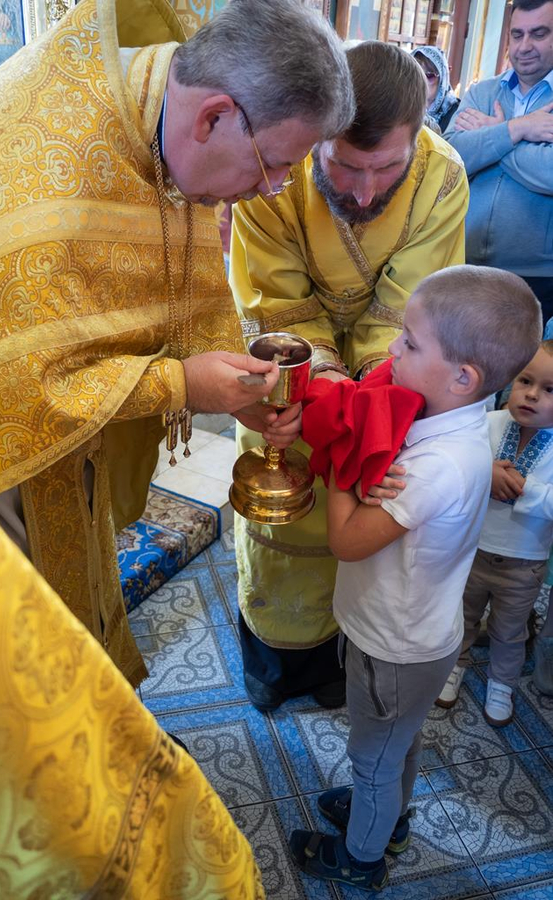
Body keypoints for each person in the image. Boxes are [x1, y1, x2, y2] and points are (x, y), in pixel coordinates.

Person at [0, 0, 354, 686]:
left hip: (72, 449)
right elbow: (16, 388)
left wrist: (238, 389)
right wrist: (183, 385)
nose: (271, 189)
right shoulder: (54, 185)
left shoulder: (157, 104)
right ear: (214, 117)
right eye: (275, 163)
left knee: (77, 586)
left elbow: (156, 283)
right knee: (15, 650)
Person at [0, 347, 264, 899]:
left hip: (60, 468)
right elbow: (1, 372)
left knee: (88, 582)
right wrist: (176, 382)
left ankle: (109, 730)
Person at [230, 40, 469, 712]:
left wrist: (359, 403)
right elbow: (277, 305)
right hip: (285, 387)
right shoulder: (274, 170)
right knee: (280, 519)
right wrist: (327, 386)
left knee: (364, 526)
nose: (365, 192)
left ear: (417, 141)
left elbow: (408, 311)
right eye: (344, 167)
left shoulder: (443, 179)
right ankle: (275, 669)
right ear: (316, 141)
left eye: (387, 168)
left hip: (382, 390)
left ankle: (340, 666)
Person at [287, 265, 542, 891]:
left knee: (372, 759)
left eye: (409, 341)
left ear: (464, 377)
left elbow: (348, 542)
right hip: (408, 632)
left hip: (395, 648)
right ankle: (391, 820)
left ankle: (362, 857)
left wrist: (342, 469)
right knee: (390, 748)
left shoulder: (439, 466)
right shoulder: (449, 422)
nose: (393, 350)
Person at [437, 341, 553, 723]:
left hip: (524, 565)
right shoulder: (486, 425)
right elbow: (457, 462)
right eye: (525, 380)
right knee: (462, 617)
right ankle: (456, 665)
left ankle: (502, 682)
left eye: (549, 390)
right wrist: (484, 473)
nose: (532, 395)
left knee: (510, 630)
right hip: (471, 550)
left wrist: (524, 489)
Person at [444, 0, 553, 322]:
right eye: (517, 34)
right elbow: (452, 156)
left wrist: (493, 133)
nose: (524, 46)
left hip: (538, 275)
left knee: (524, 371)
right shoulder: (483, 92)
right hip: (465, 259)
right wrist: (518, 129)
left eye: (539, 33)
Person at [411, 45, 460, 133]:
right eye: (416, 75)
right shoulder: (405, 107)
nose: (421, 81)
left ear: (442, 78)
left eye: (429, 75)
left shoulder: (457, 113)